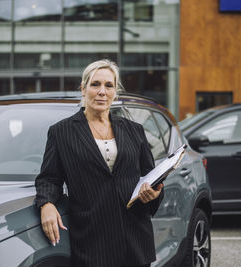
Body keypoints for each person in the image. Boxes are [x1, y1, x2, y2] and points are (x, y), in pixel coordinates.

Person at [35, 59, 164, 267]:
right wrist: (46, 204)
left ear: (115, 92)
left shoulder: (134, 130)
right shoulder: (61, 132)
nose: (102, 91)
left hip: (135, 239)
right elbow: (49, 178)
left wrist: (154, 194)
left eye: (108, 85)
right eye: (95, 84)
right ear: (83, 89)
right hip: (92, 240)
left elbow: (151, 176)